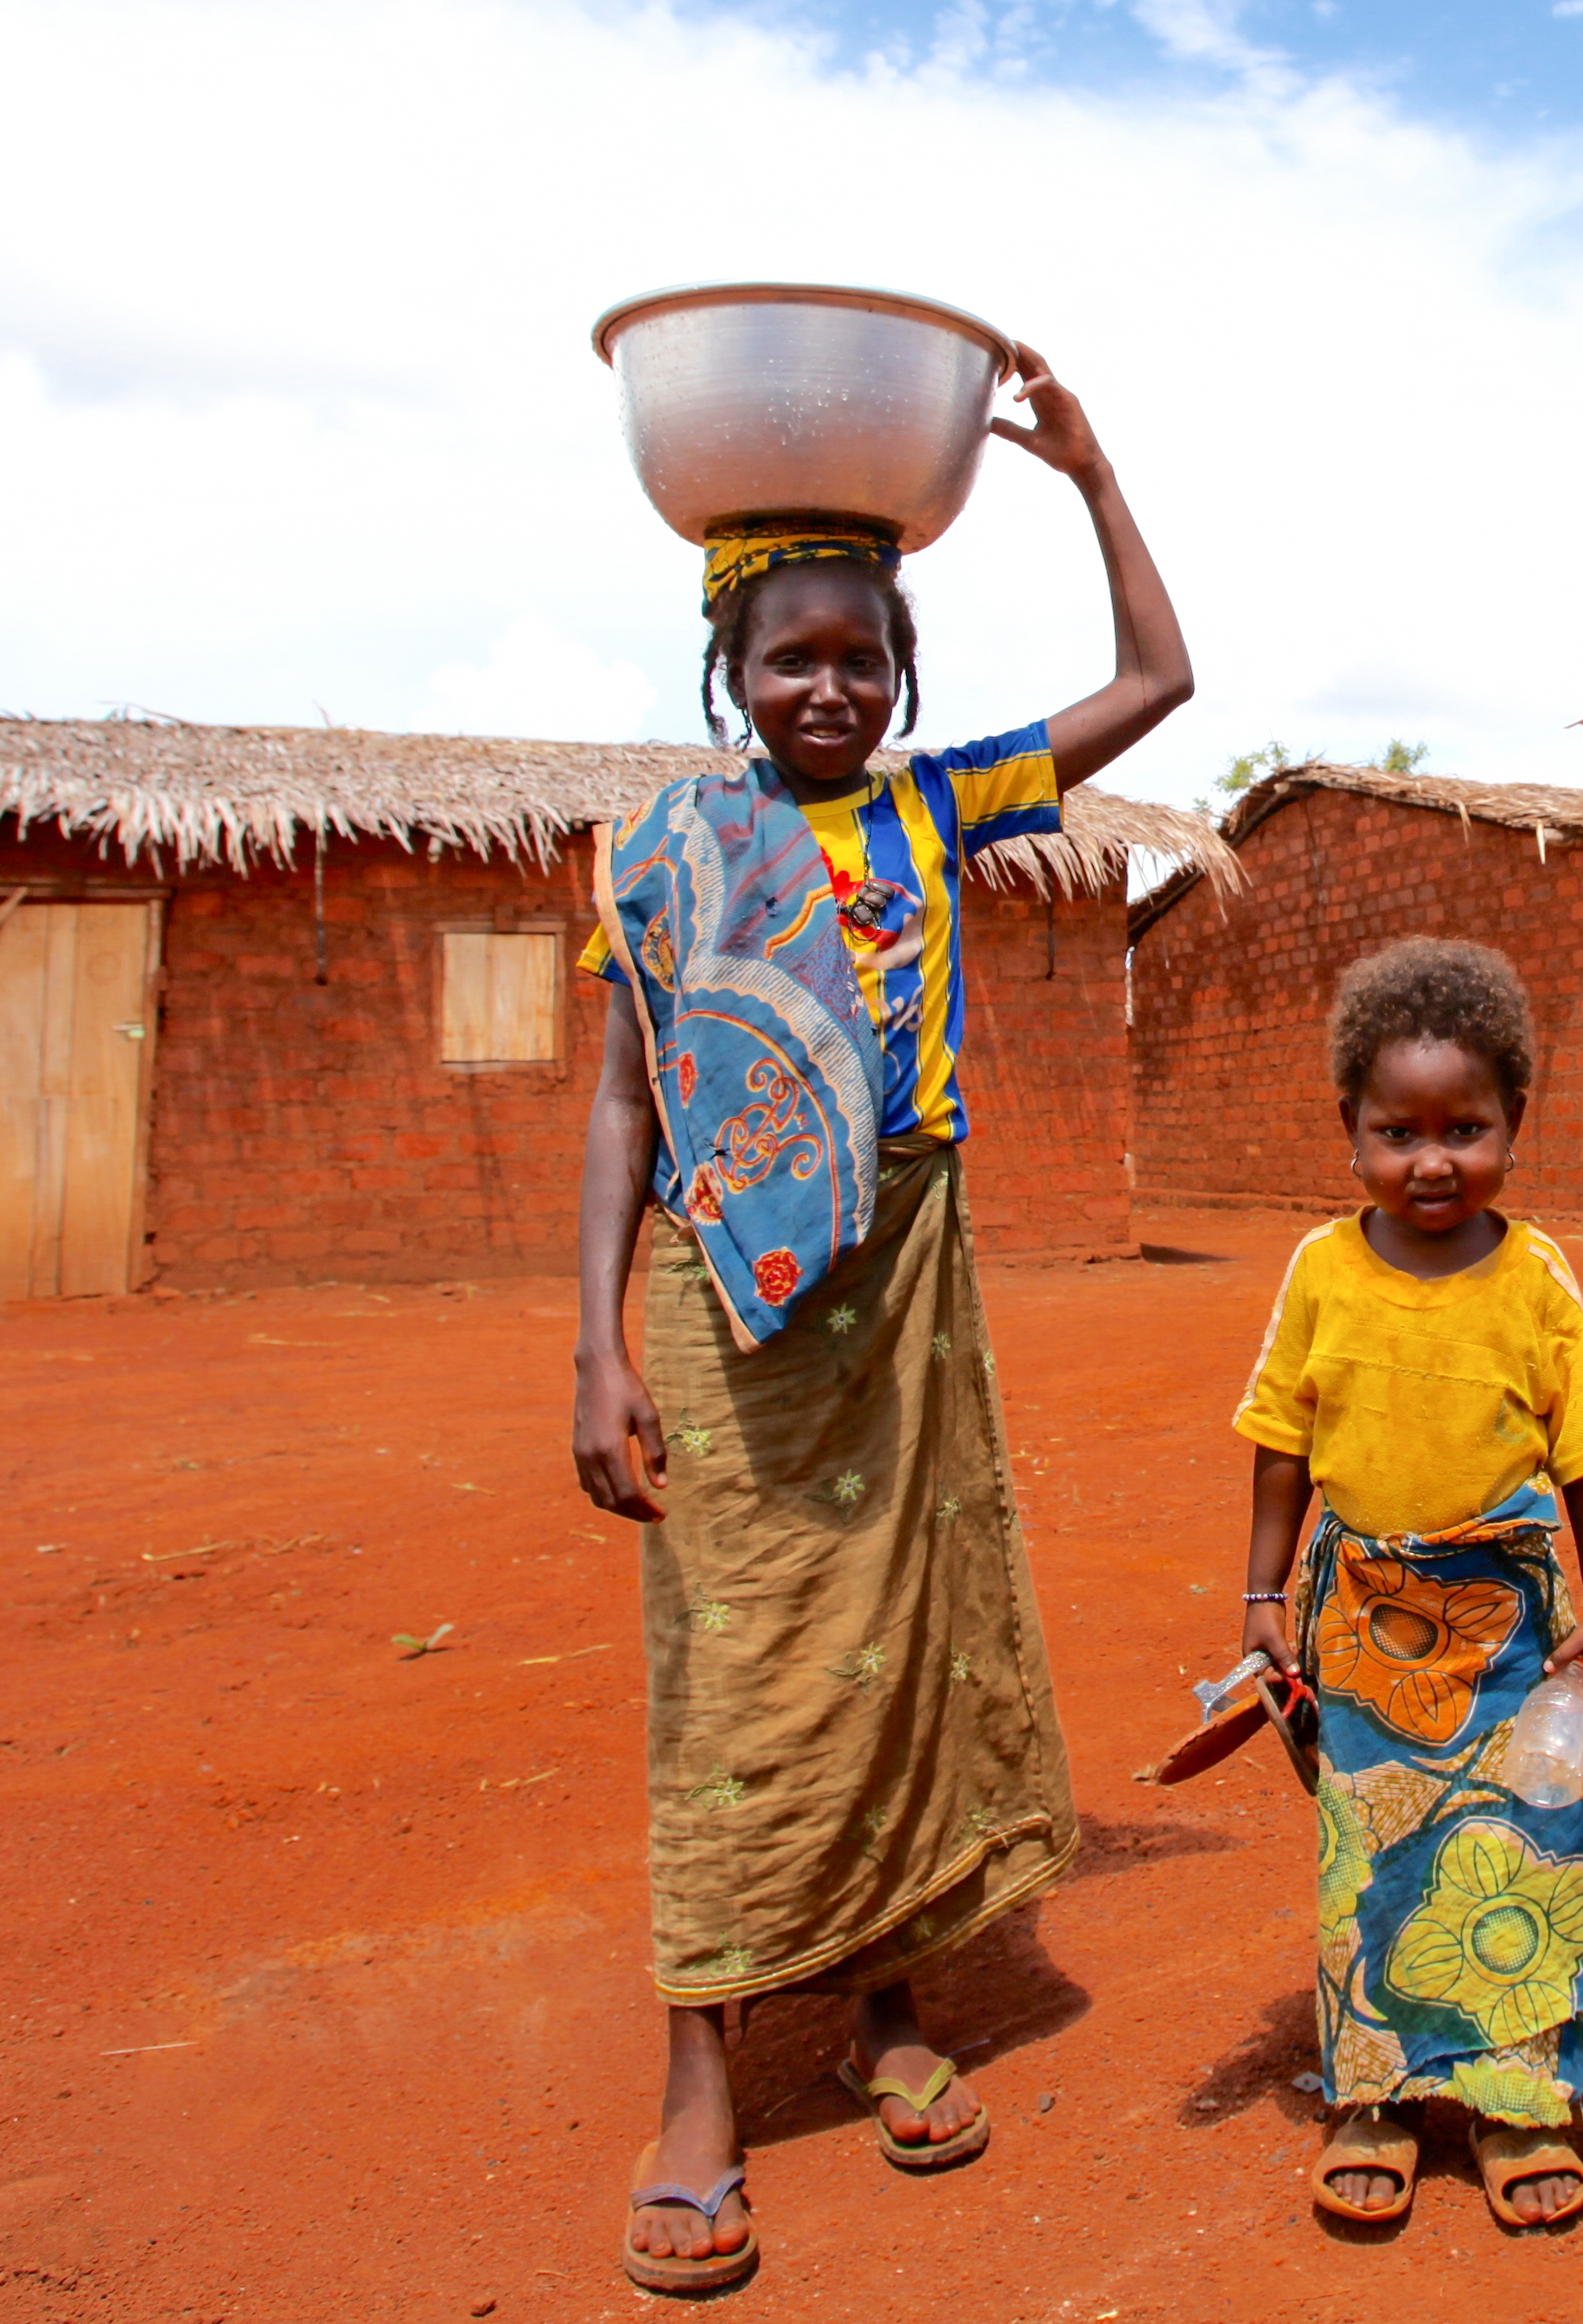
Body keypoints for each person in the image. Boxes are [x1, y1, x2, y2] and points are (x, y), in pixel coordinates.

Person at [570, 342, 1189, 2298]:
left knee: (906, 1641)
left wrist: (1091, 475)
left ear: (902, 675)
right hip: (726, 1300)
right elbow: (626, 1103)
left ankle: (889, 2004)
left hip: (910, 1268)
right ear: (731, 674)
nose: (827, 687)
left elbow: (1160, 682)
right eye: (791, 660)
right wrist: (594, 1344)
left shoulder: (942, 804)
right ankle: (701, 2077)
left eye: (860, 657)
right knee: (737, 1666)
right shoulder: (669, 850)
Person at [1229, 939, 1583, 2238]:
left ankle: (1517, 2098)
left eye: (1465, 1129)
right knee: (1374, 1851)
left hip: (1511, 1626)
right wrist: (1260, 1596)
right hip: (1360, 1622)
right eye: (1395, 1132)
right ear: (1349, 1129)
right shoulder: (1320, 1271)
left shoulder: (1538, 1279)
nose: (1431, 1160)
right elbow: (1282, 1443)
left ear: (1515, 1118)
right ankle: (1379, 2095)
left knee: (1521, 1844)